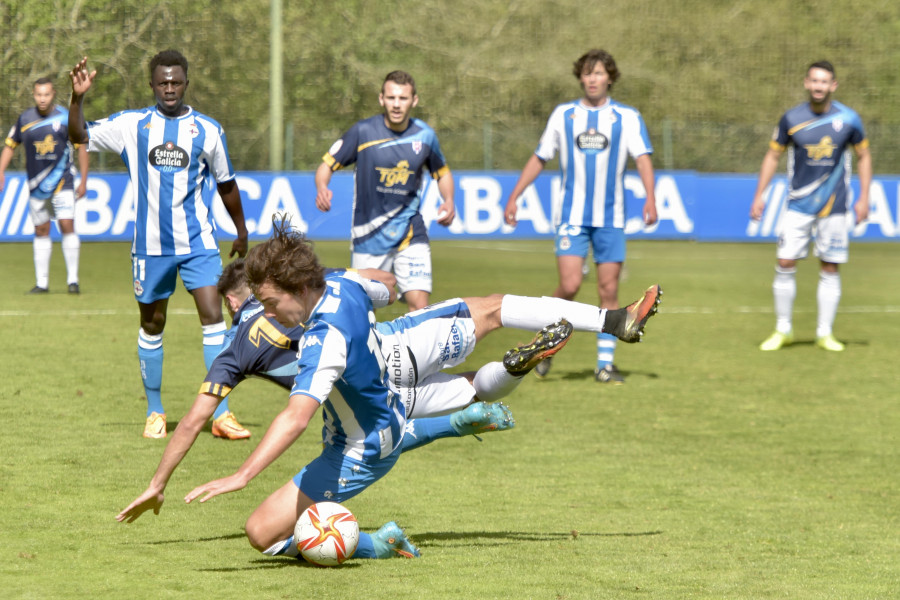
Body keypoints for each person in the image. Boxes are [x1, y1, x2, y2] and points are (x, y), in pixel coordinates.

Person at [115, 219, 661, 562]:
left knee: (260, 532)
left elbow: (295, 418)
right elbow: (389, 285)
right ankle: (612, 321)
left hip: (367, 434)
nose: (265, 310)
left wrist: (238, 475)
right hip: (401, 346)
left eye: (270, 299)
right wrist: (390, 286)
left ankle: (373, 542)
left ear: (298, 288)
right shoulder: (342, 283)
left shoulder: (318, 343)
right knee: (495, 309)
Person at [67, 51, 251, 438]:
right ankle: (155, 411)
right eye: (162, 82)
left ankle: (221, 413)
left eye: (176, 81)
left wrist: (241, 230)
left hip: (198, 241)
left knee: (214, 318)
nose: (170, 88)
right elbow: (78, 135)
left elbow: (226, 183)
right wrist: (77, 98)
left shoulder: (208, 130)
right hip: (150, 248)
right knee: (153, 324)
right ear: (152, 85)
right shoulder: (131, 125)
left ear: (187, 83)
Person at [504, 49, 658, 384]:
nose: (592, 79)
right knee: (571, 283)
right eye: (587, 73)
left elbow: (643, 158)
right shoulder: (564, 115)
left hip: (611, 217)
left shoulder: (627, 117)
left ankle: (604, 366)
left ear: (610, 77)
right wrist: (515, 196)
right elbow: (540, 157)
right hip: (571, 216)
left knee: (608, 289)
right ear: (580, 77)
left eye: (599, 73)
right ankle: (540, 345)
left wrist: (651, 197)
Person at [750, 60, 871, 353]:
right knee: (785, 263)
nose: (819, 86)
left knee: (830, 267)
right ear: (806, 83)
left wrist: (864, 197)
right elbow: (772, 156)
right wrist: (759, 194)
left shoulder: (849, 119)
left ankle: (824, 333)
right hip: (798, 205)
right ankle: (783, 330)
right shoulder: (791, 118)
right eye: (814, 81)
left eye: (824, 81)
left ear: (833, 85)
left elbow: (864, 156)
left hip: (835, 206)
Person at [314, 70, 455, 312]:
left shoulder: (425, 136)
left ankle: (415, 350)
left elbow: (442, 172)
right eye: (391, 98)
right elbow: (326, 165)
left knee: (419, 307)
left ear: (414, 100)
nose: (397, 104)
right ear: (381, 99)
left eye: (403, 98)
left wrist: (449, 199)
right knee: (361, 311)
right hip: (368, 236)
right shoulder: (363, 132)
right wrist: (322, 187)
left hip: (409, 231)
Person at [0, 77, 89, 294]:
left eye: (46, 94)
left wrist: (84, 180)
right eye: (39, 94)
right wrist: (1, 170)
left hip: (62, 182)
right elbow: (10, 145)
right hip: (37, 185)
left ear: (53, 94)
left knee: (66, 224)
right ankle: (42, 283)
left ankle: (73, 281)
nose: (42, 99)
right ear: (33, 94)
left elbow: (82, 147)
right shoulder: (25, 119)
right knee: (41, 229)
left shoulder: (66, 118)